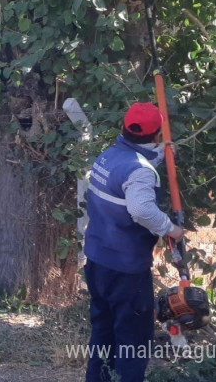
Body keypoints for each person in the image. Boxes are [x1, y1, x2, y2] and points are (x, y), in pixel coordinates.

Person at [83, 102, 185, 382]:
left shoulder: (107, 157)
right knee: (134, 341)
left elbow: (127, 174)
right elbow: (140, 209)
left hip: (96, 261)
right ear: (154, 136)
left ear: (123, 128)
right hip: (126, 270)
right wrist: (171, 229)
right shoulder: (140, 172)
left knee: (103, 332)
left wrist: (159, 156)